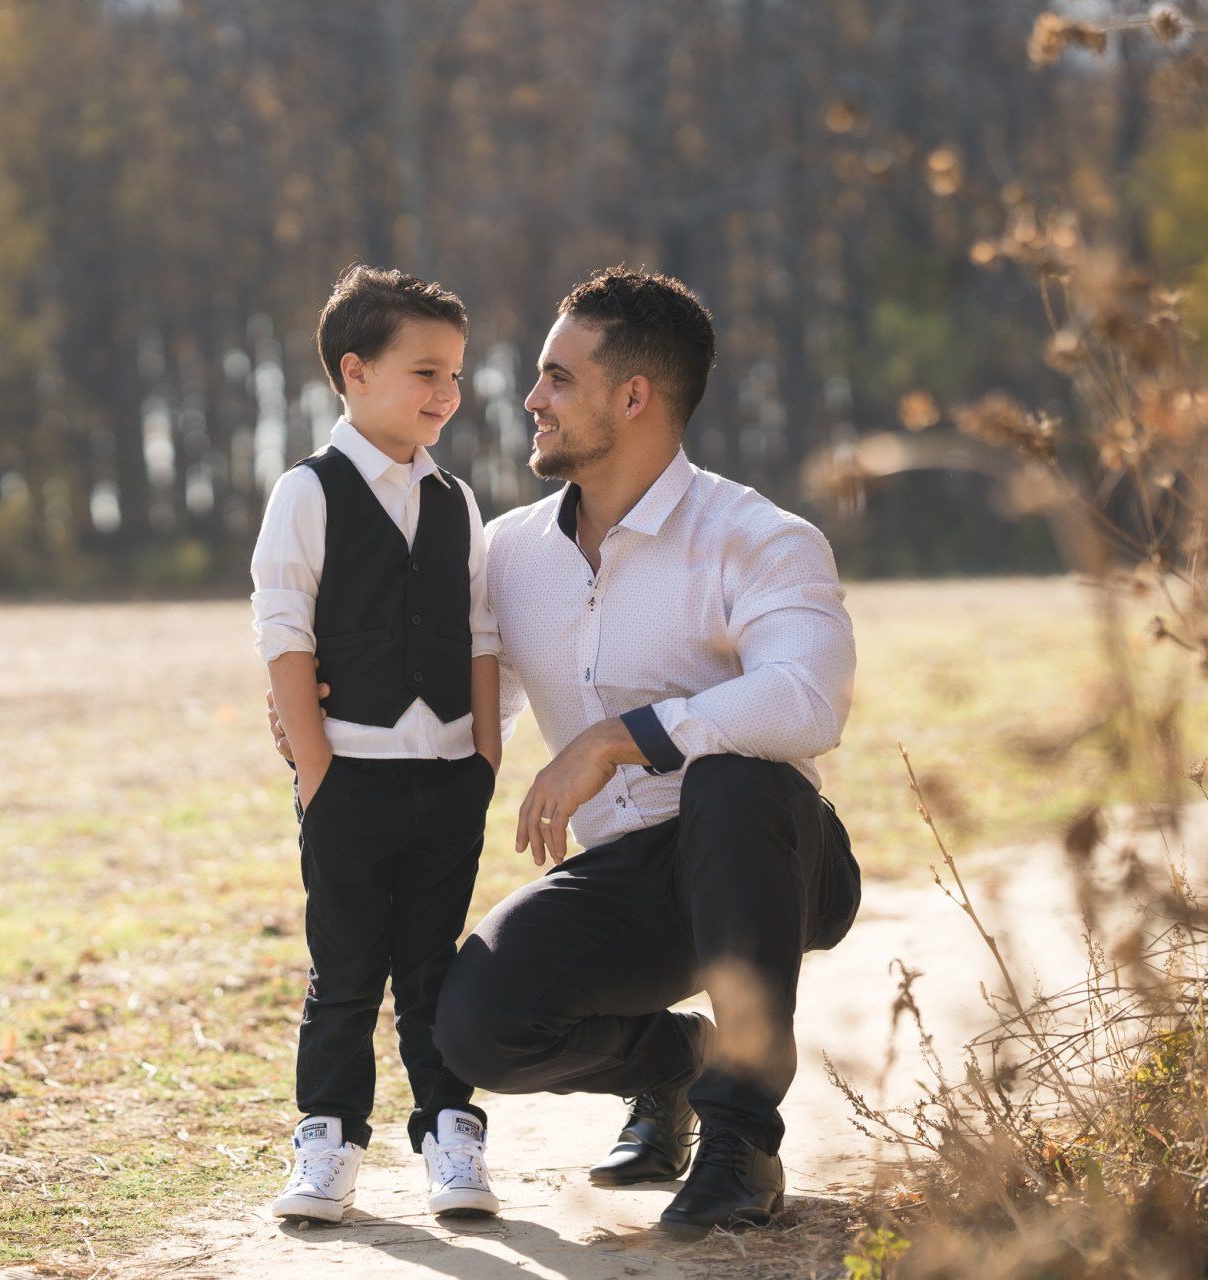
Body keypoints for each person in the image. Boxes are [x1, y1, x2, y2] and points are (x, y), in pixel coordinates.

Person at [271, 266, 862, 1238]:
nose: (528, 400)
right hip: (631, 877)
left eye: (556, 379)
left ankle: (741, 1137)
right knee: (476, 1024)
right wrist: (328, 714)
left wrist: (623, 737)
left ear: (634, 397)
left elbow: (807, 698)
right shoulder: (506, 553)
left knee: (727, 781)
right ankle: (688, 1063)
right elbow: (460, 706)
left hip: (777, 857)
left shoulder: (756, 536)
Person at [250, 264, 503, 1225]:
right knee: (346, 969)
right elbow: (284, 634)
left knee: (432, 966)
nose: (448, 394)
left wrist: (482, 759)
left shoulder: (456, 502)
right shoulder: (307, 494)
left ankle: (450, 1132)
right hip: (347, 775)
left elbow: (481, 636)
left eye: (455, 376)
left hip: (447, 777)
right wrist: (316, 770)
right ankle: (329, 1139)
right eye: (426, 373)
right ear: (354, 373)